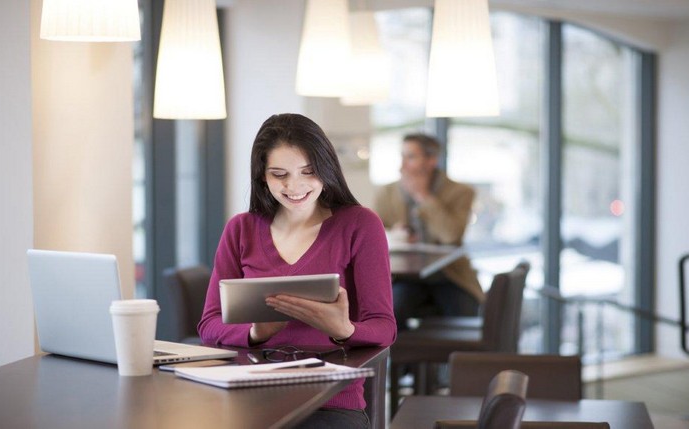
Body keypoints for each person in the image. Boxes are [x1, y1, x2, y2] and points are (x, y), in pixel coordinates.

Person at [198, 113, 397, 429]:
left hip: (329, 403)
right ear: (262, 176)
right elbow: (209, 324)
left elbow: (384, 327)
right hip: (249, 394)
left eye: (308, 171)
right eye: (280, 174)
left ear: (326, 169)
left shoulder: (359, 225)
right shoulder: (241, 229)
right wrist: (255, 333)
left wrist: (343, 329)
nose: (294, 186)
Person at [374, 133, 482, 331]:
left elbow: (451, 236)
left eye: (411, 157)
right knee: (391, 312)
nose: (402, 165)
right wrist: (395, 235)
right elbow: (374, 235)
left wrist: (423, 196)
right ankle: (404, 362)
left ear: (431, 160)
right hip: (406, 278)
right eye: (402, 156)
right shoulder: (387, 192)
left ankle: (457, 362)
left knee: (463, 318)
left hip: (449, 276)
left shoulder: (460, 192)